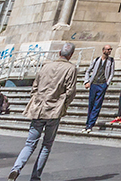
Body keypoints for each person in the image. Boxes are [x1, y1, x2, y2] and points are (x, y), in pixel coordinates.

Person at [9, 42, 79, 181]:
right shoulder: (71, 69)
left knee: (30, 143)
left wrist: (36, 99)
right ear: (70, 55)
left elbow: (35, 86)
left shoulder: (46, 66)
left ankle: (16, 168)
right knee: (46, 145)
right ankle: (35, 176)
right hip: (54, 109)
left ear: (59, 53)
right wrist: (64, 103)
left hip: (38, 108)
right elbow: (71, 91)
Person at [82, 44, 116, 133]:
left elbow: (112, 73)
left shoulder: (111, 61)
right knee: (91, 104)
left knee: (97, 105)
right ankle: (87, 124)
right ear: (103, 50)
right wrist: (87, 81)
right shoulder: (96, 60)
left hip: (102, 84)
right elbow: (88, 70)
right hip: (94, 84)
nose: (109, 51)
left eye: (110, 49)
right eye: (108, 49)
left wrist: (107, 83)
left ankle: (90, 124)